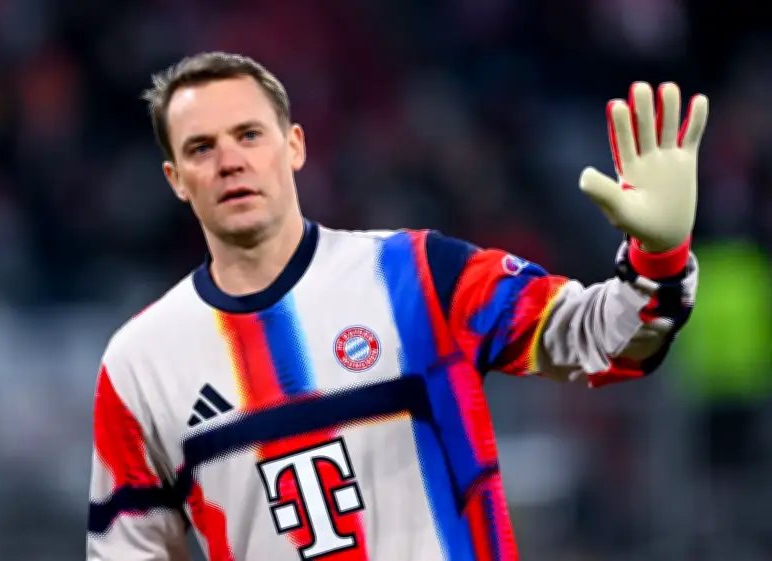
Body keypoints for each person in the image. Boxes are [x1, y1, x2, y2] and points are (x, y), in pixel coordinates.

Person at [86, 51, 707, 561]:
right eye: (201, 148)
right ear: (174, 178)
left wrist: (659, 259)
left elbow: (599, 344)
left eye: (249, 135)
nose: (230, 162)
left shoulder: (419, 275)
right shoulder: (140, 363)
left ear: (294, 146)